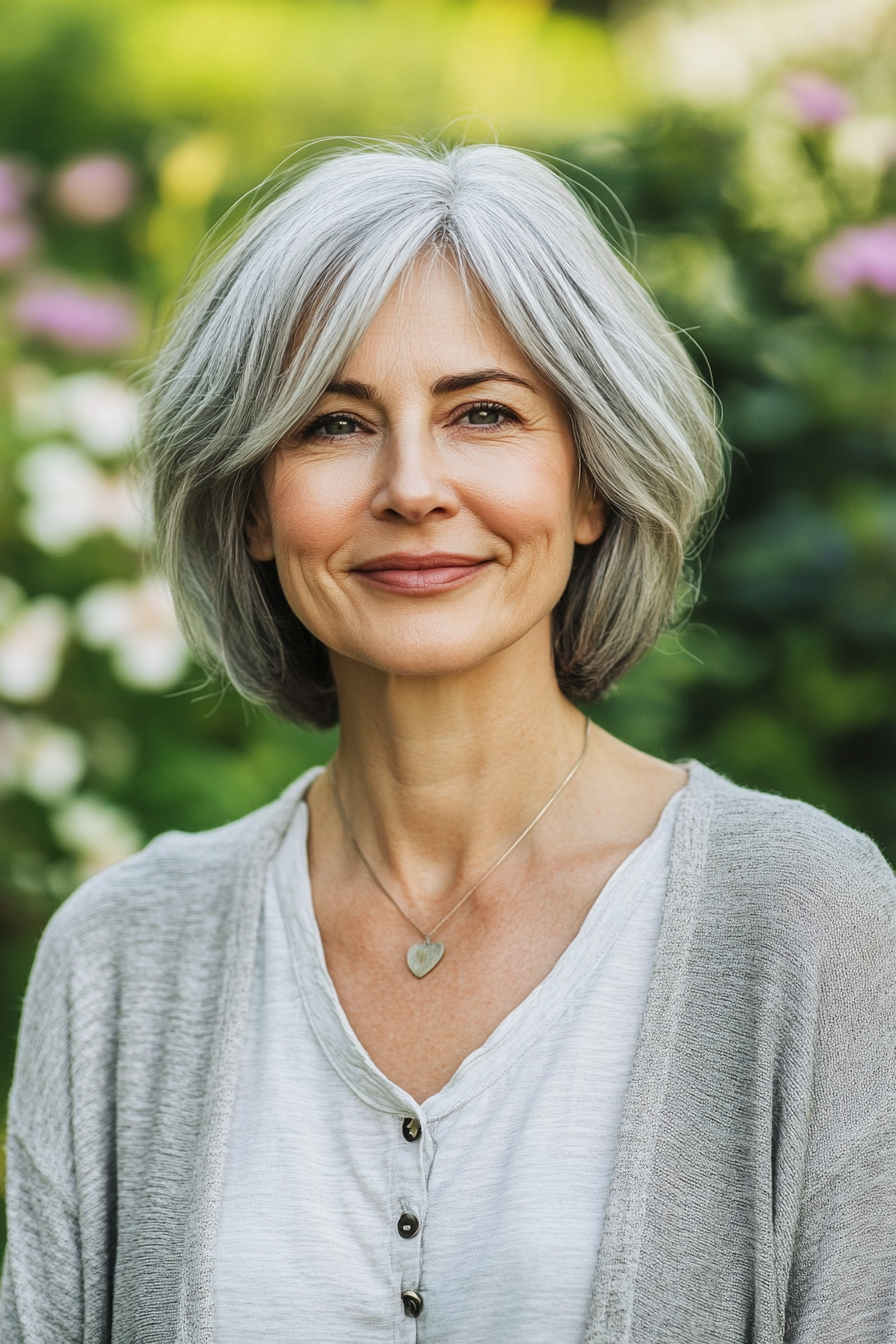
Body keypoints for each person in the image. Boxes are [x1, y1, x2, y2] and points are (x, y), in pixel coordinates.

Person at [2, 141, 895, 1344]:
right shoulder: (121, 959)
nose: (412, 486)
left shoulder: (807, 918)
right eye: (331, 423)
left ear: (590, 484)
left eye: (483, 413)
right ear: (251, 508)